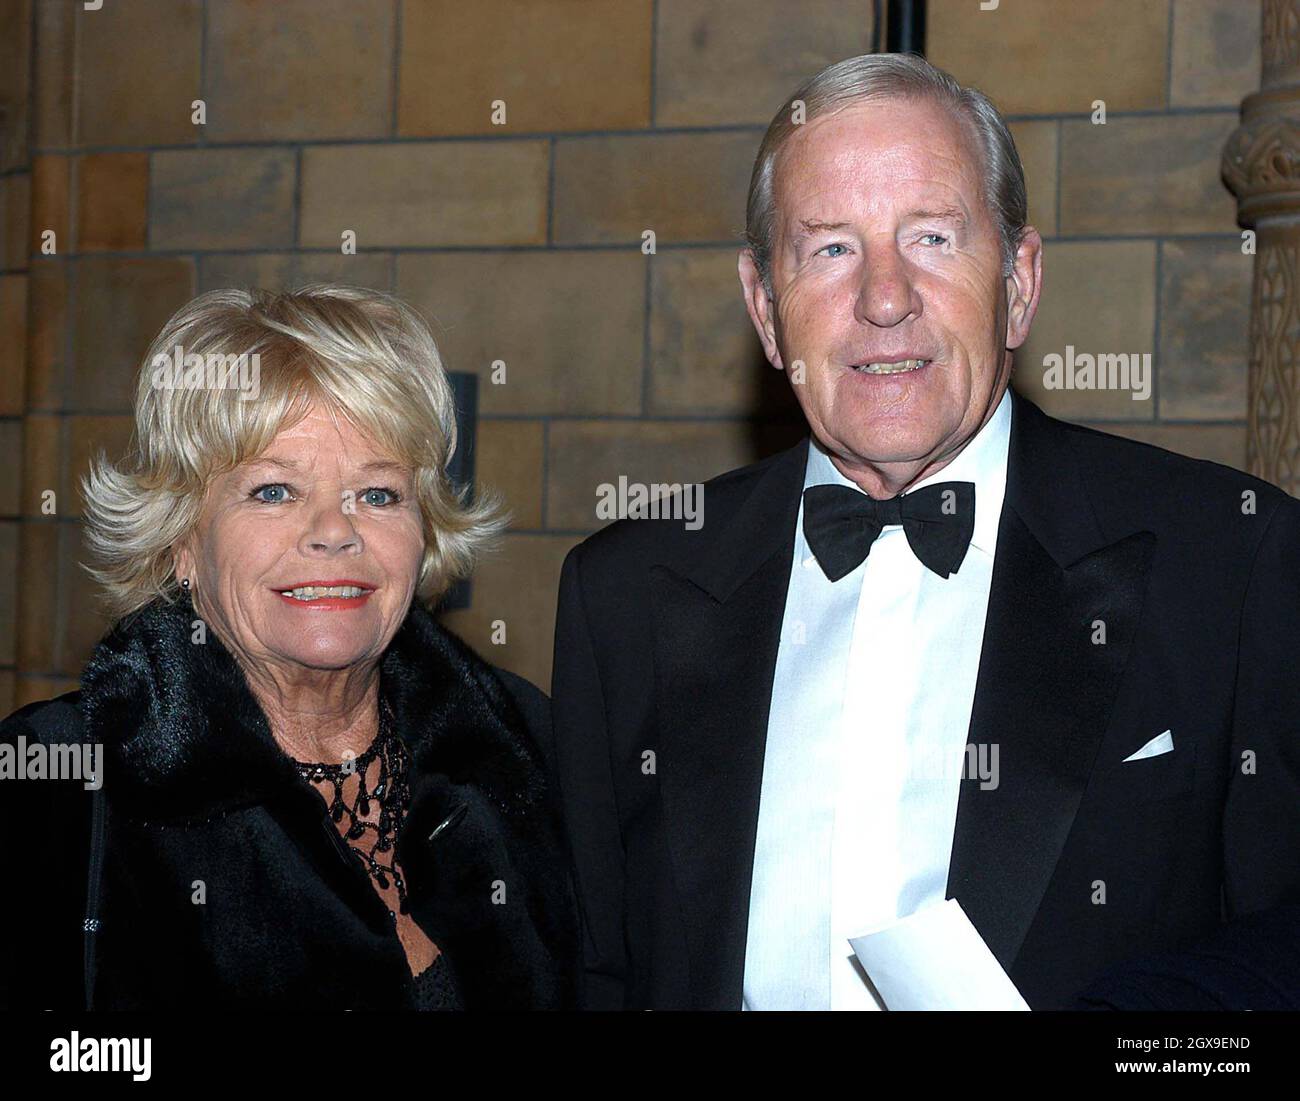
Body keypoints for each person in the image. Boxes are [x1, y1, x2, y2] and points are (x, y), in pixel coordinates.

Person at [550, 53, 1300, 1010]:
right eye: (829, 249)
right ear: (764, 309)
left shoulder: (1232, 564)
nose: (885, 297)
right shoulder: (623, 593)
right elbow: (595, 972)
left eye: (934, 238)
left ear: (1020, 284)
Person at [0, 284, 577, 1010]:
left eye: (378, 493)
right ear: (182, 538)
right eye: (273, 491)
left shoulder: (529, 748)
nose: (333, 530)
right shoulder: (58, 781)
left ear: (425, 532)